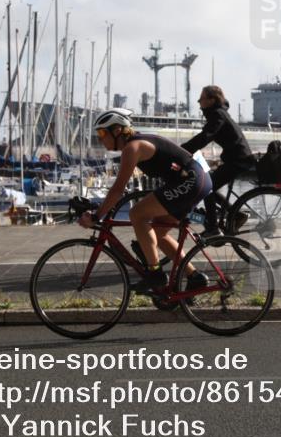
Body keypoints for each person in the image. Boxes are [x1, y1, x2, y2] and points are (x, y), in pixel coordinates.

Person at [80, 108, 211, 294]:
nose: (100, 138)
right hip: (194, 179)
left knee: (137, 214)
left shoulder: (133, 148)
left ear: (117, 131)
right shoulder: (136, 144)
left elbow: (118, 189)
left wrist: (96, 215)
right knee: (158, 234)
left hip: (191, 180)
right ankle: (195, 277)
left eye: (102, 133)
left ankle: (155, 274)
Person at [181, 86, 255, 236]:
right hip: (236, 159)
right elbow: (205, 137)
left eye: (201, 99)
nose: (199, 102)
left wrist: (182, 150)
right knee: (209, 185)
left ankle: (213, 228)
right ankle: (237, 214)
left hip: (238, 160)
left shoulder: (218, 115)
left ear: (211, 100)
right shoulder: (218, 113)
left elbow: (205, 136)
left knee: (206, 187)